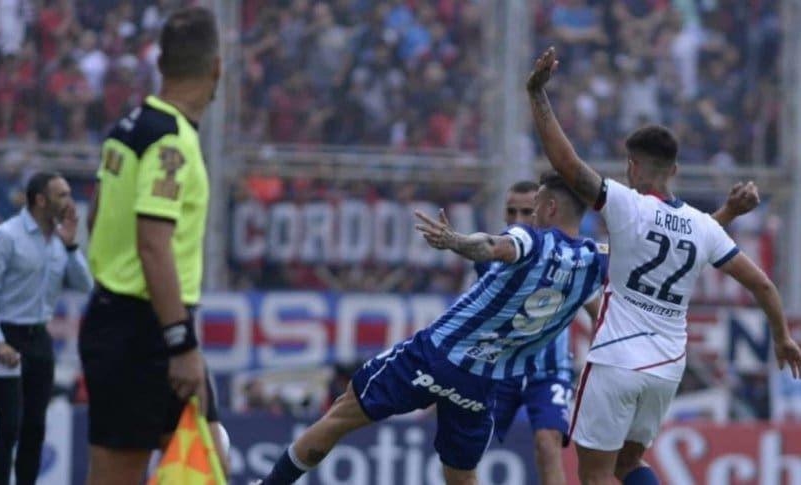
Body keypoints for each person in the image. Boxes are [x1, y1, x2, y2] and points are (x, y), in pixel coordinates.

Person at [525, 46, 801, 485]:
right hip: (667, 368)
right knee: (629, 466)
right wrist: (782, 338)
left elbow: (567, 164)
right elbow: (764, 285)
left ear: (632, 167)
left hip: (616, 359)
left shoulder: (624, 204)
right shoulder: (702, 227)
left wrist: (537, 95)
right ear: (673, 169)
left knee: (594, 475)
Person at [258, 171, 608, 485]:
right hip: (482, 381)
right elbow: (605, 303)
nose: (526, 217)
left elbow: (490, 245)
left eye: (532, 209)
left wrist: (454, 241)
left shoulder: (532, 240)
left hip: (434, 355)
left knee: (341, 415)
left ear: (547, 208)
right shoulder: (594, 261)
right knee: (462, 475)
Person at [479, 179, 758, 485]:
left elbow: (669, 252)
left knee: (549, 444)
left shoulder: (577, 256)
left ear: (547, 210)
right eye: (511, 212)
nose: (519, 220)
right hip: (496, 366)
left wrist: (621, 344)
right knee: (464, 449)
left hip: (547, 370)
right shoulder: (494, 254)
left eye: (527, 211)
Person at [79, 7, 227, 484]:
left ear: (161, 64)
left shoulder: (130, 126)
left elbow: (98, 210)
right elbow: (153, 245)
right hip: (149, 329)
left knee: (210, 458)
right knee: (122, 473)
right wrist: (180, 342)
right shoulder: (172, 143)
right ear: (216, 68)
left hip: (130, 321)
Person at [0, 172, 93, 485]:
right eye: (62, 195)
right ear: (41, 200)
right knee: (9, 425)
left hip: (39, 337)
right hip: (6, 335)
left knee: (35, 427)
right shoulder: (6, 236)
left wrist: (71, 246)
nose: (69, 202)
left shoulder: (58, 242)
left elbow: (84, 284)